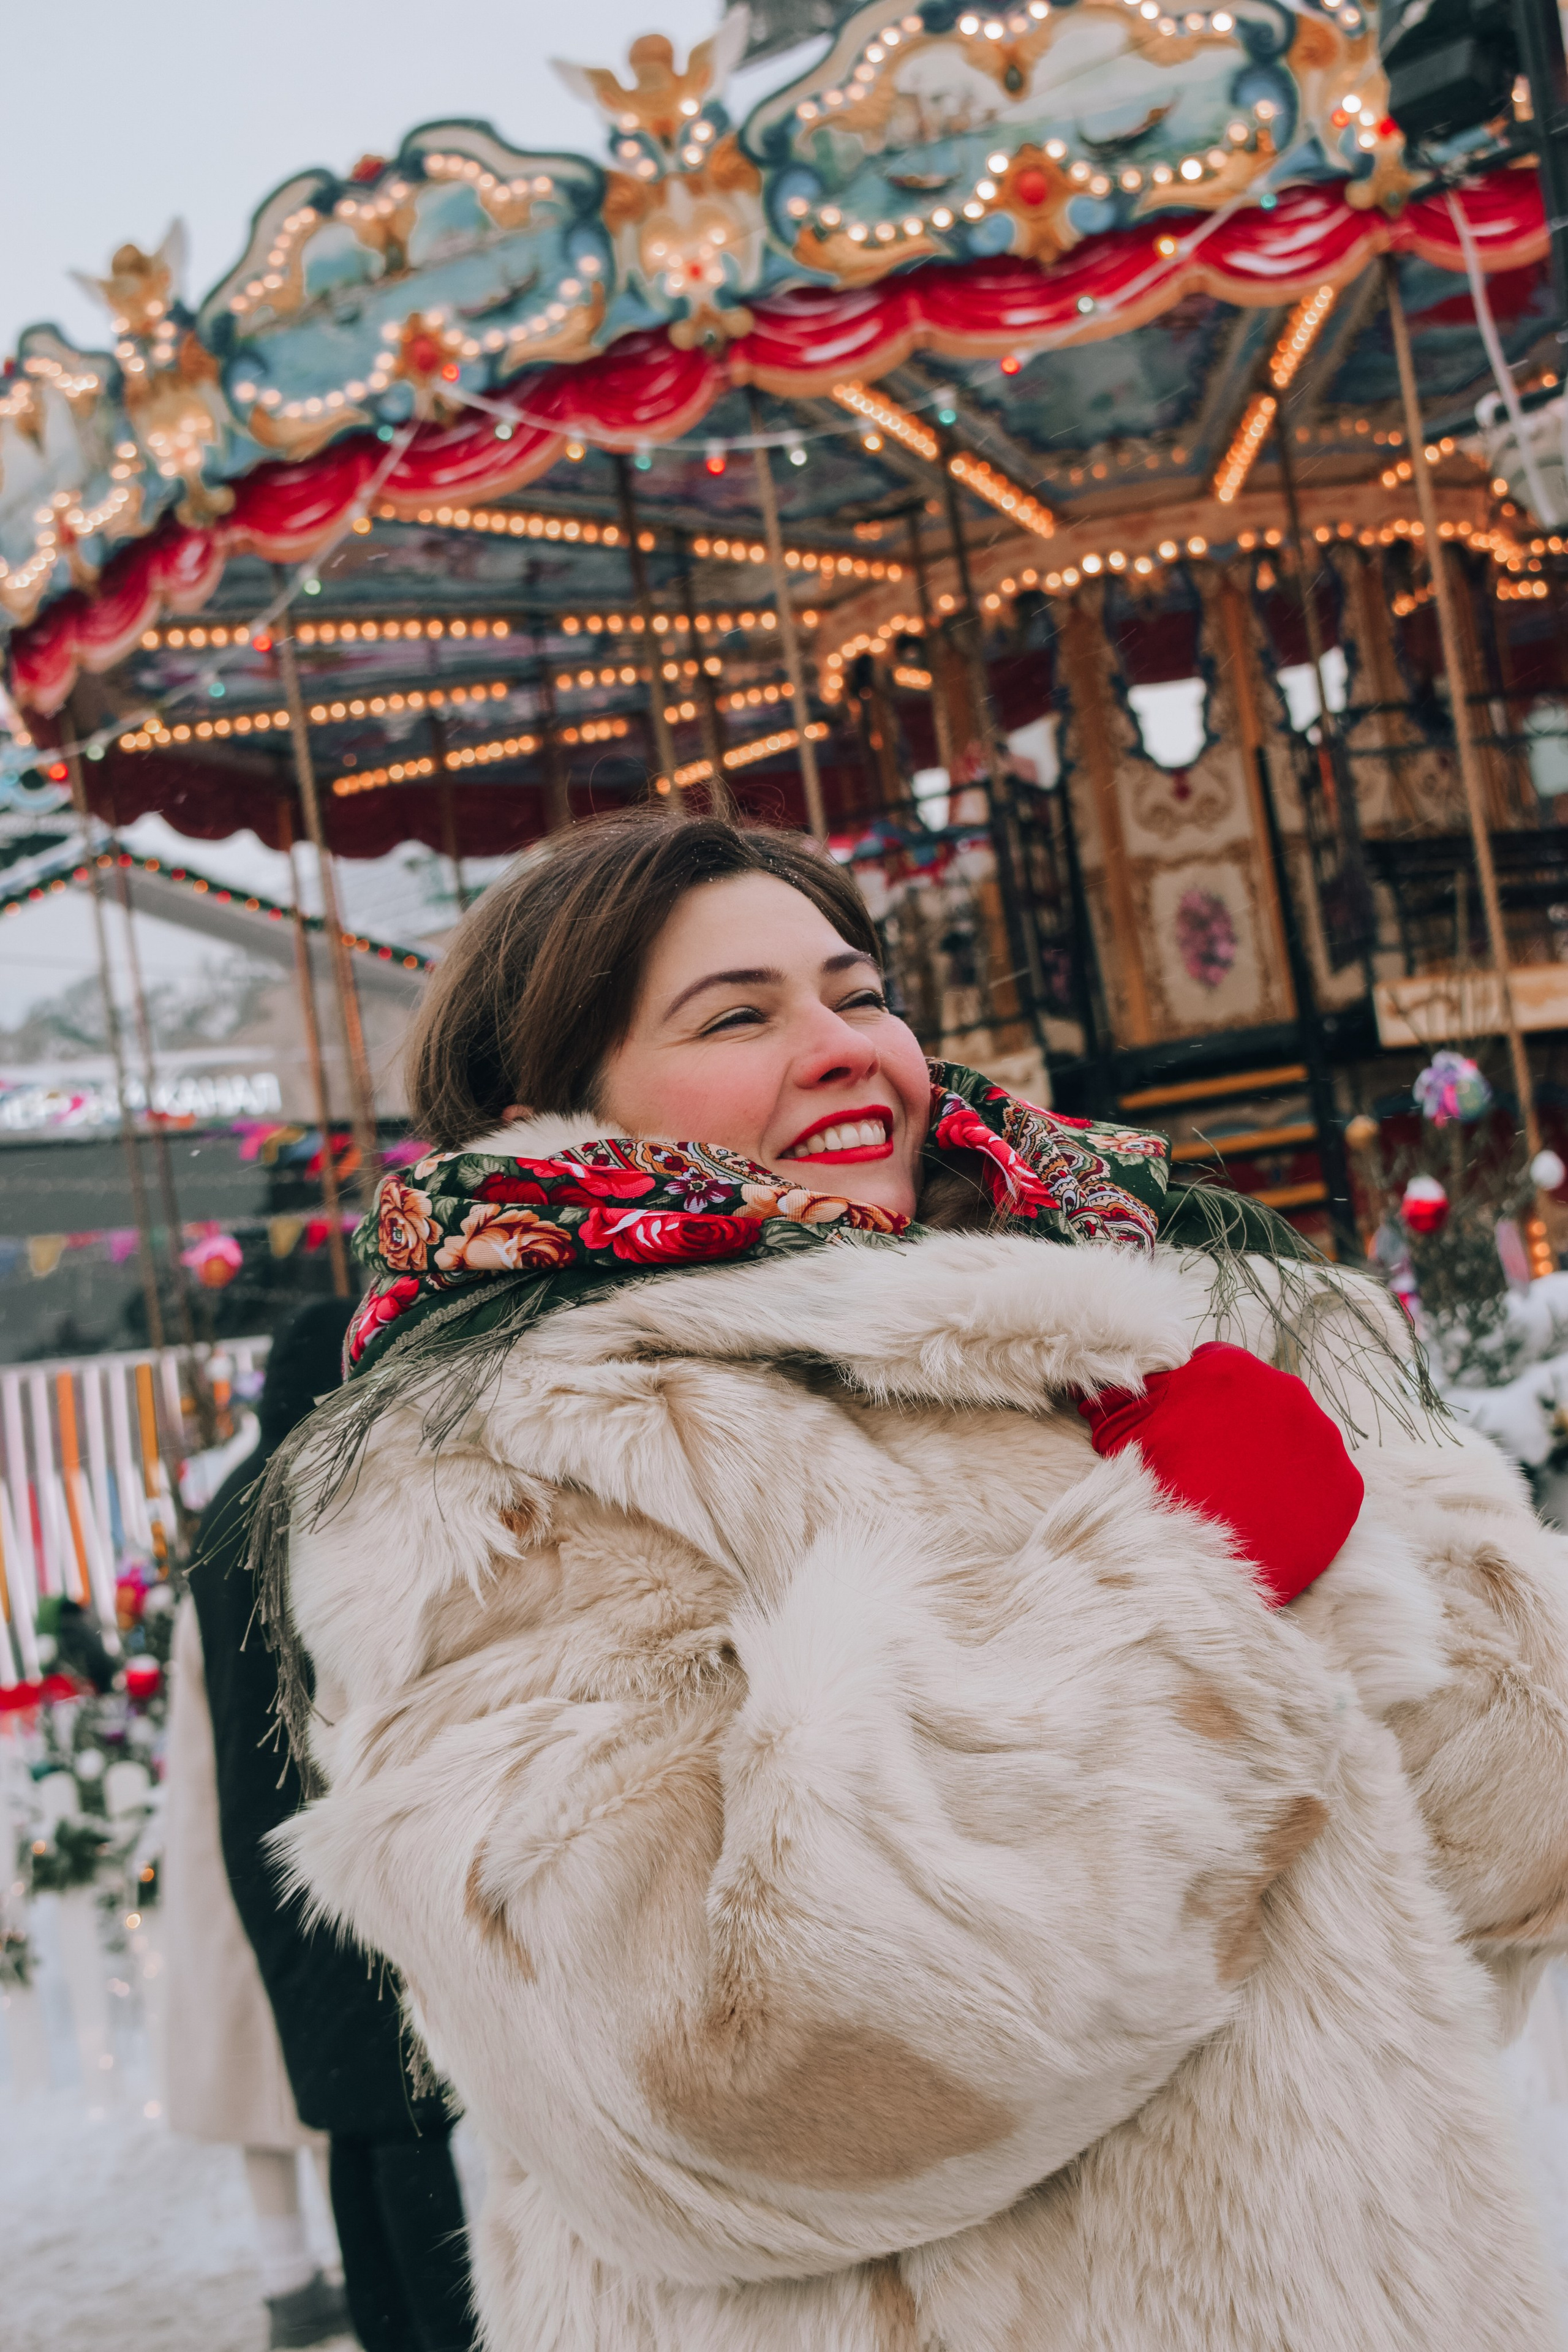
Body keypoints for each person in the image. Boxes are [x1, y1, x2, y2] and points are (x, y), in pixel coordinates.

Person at [261, 812, 1568, 2352]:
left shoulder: (1161, 1305)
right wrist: (1171, 1586)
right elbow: (722, 2071)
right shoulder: (508, 1462)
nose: (838, 1045)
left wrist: (1355, 1546)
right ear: (550, 1106)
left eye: (855, 990)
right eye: (737, 1014)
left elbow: (1518, 1824)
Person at [190, 1299, 478, 2352]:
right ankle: (441, 2333)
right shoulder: (312, 1502)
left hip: (264, 1854)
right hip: (333, 1849)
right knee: (405, 2122)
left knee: (359, 2125)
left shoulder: (231, 1507)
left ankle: (394, 2328)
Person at [162, 1593, 350, 2351]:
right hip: (245, 1858)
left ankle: (289, 2280)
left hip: (209, 1857)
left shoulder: (195, 1598)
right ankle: (333, 2275)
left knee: (256, 2083)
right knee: (310, 2075)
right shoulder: (245, 1587)